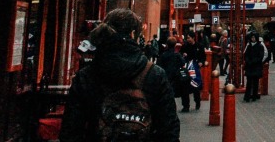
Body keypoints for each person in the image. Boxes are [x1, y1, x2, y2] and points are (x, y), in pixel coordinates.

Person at [60, 9, 179, 142]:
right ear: (133, 34)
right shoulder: (155, 75)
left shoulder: (87, 76)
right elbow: (169, 128)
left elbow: (71, 129)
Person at [157, 39, 189, 113]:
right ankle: (186, 106)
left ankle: (167, 107)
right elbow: (183, 63)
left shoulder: (164, 55)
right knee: (183, 91)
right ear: (175, 45)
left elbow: (159, 65)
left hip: (166, 76)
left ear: (167, 45)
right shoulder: (177, 54)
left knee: (167, 92)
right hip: (177, 76)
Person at [243, 33, 265, 102]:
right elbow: (246, 55)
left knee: (255, 82)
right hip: (249, 66)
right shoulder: (249, 46)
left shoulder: (260, 46)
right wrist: (247, 61)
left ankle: (254, 96)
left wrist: (254, 61)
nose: (253, 39)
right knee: (249, 82)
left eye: (254, 38)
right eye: (252, 38)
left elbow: (261, 56)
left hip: (256, 66)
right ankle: (247, 96)